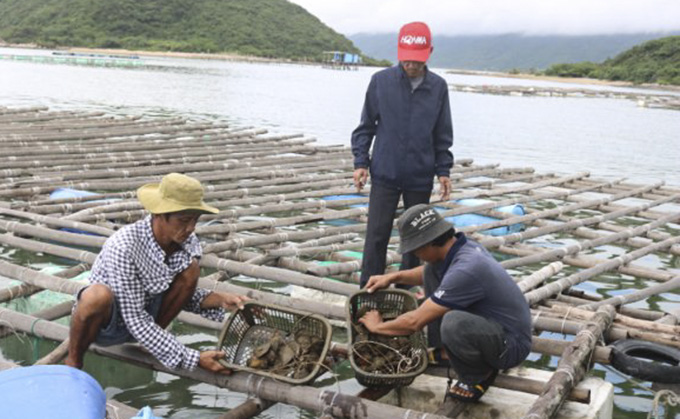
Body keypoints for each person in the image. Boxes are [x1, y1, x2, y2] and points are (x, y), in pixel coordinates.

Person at [65, 173, 249, 374]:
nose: (191, 228)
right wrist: (194, 358)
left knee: (191, 270)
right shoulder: (124, 246)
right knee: (95, 296)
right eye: (184, 220)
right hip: (107, 325)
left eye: (195, 220)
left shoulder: (186, 241)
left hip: (148, 319)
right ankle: (74, 361)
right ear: (159, 214)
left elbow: (174, 292)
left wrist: (220, 300)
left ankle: (151, 342)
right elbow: (134, 318)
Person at [360, 204, 532, 402]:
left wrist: (378, 327)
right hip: (493, 326)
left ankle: (478, 374)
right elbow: (425, 273)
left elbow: (414, 322)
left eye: (416, 251)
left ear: (430, 243)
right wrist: (392, 277)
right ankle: (445, 352)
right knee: (431, 271)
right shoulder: (460, 248)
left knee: (454, 322)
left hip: (510, 345)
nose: (415, 255)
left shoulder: (466, 269)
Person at [351, 21, 454, 288]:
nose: (411, 66)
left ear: (429, 52)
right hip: (385, 171)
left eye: (417, 62)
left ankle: (406, 293)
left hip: (420, 175)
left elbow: (442, 135)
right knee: (376, 236)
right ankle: (369, 291)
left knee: (417, 239)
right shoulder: (380, 82)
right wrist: (361, 162)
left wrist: (444, 171)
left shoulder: (439, 87)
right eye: (407, 60)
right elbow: (365, 127)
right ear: (399, 52)